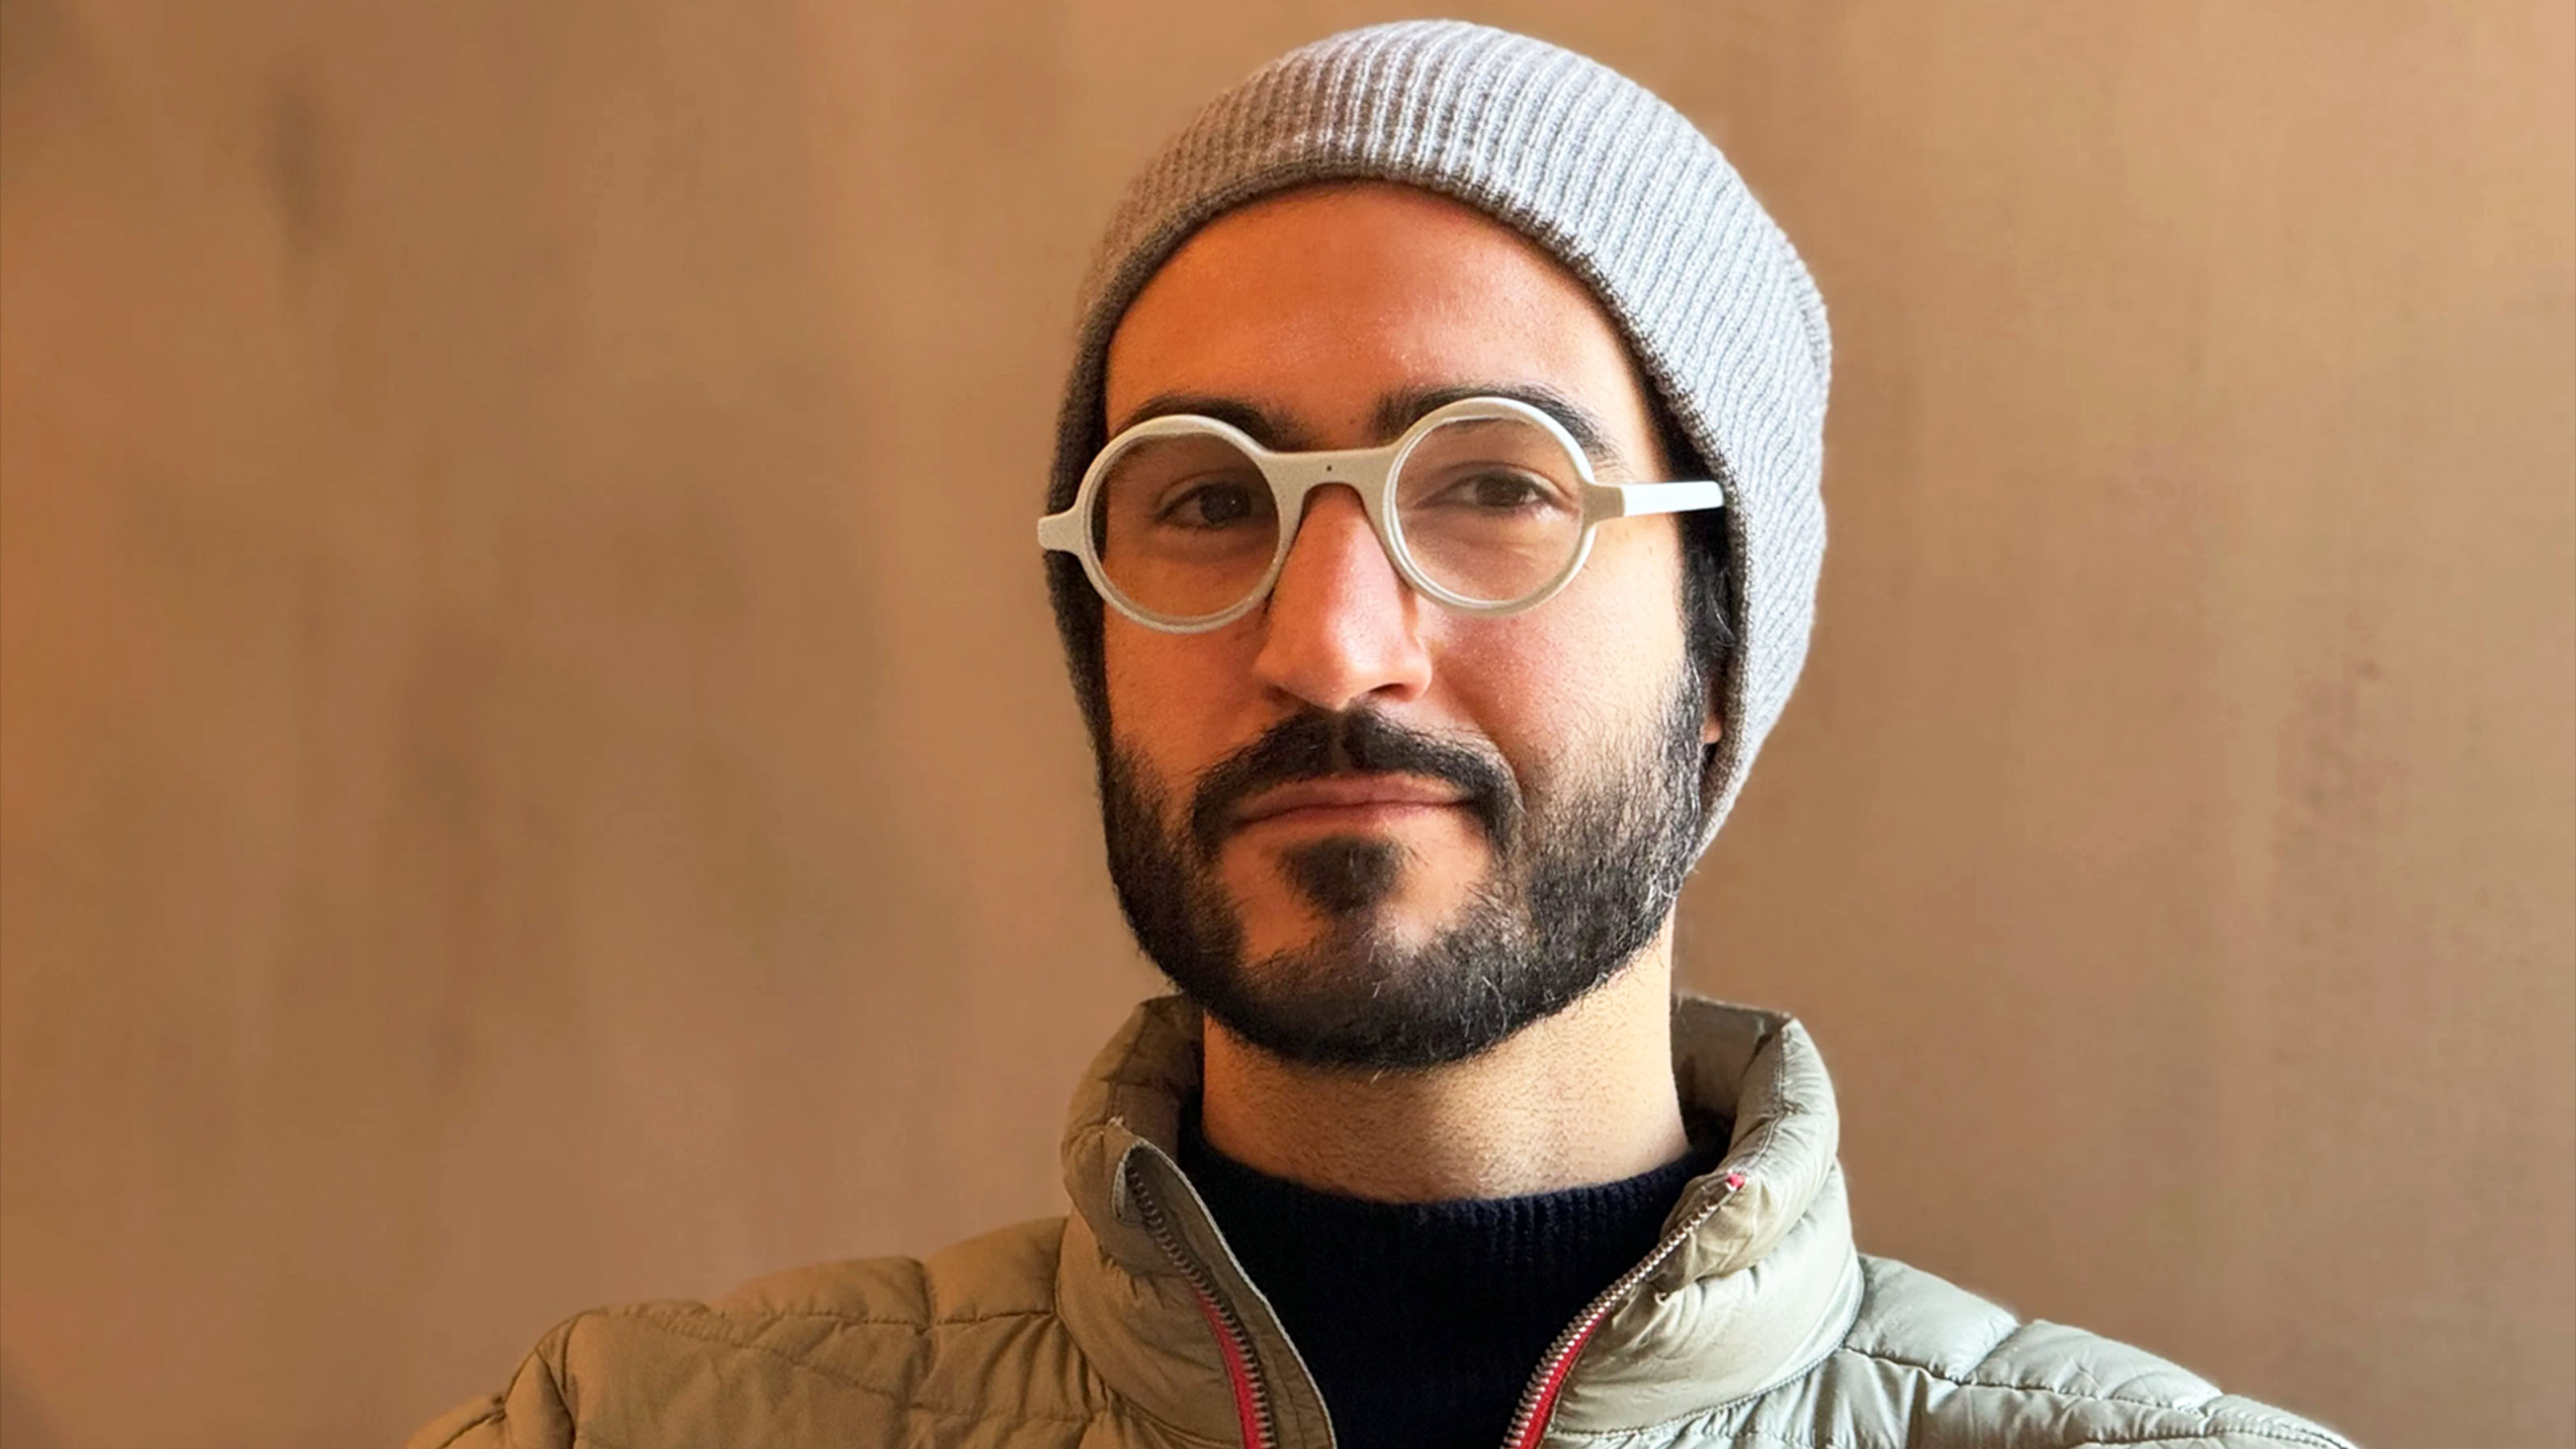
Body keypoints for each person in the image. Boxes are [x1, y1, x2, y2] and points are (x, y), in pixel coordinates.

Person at [407, 21, 2353, 1449]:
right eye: (1204, 498)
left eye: (1493, 488)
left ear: (1724, 651)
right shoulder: (634, 1425)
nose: (1328, 645)